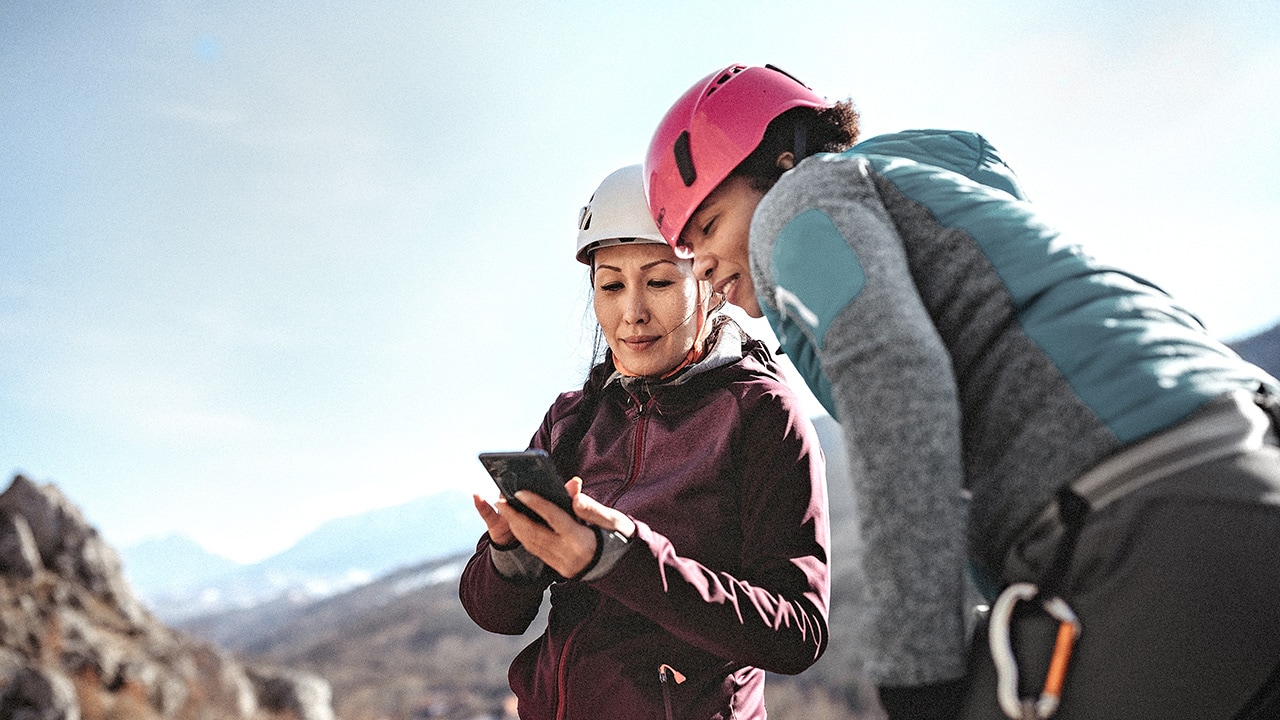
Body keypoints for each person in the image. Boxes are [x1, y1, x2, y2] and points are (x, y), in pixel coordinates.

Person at [642, 63, 1280, 720]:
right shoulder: (933, 198)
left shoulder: (797, 205)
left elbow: (896, 381)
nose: (704, 267)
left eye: (710, 225)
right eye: (687, 249)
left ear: (782, 162)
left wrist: (915, 673)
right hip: (1247, 465)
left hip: (1137, 519)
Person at [458, 164, 831, 720]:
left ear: (708, 281)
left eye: (658, 281)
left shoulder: (761, 414)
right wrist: (513, 555)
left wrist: (622, 556)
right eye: (610, 286)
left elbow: (797, 631)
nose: (631, 313)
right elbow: (496, 616)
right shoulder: (573, 418)